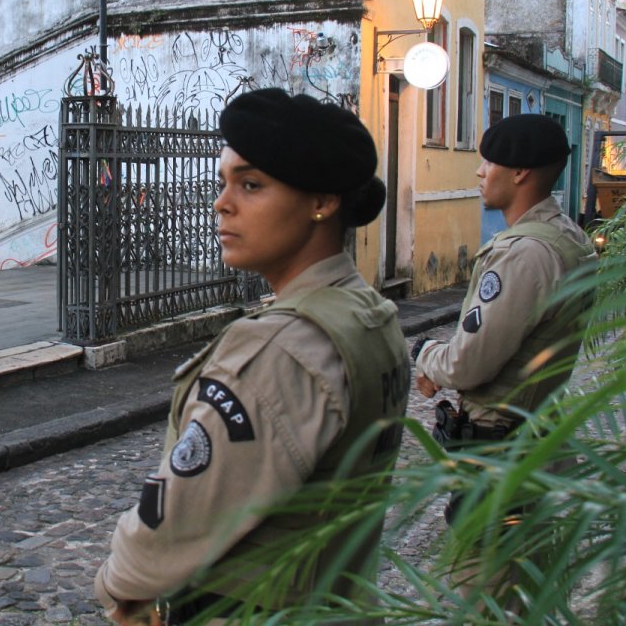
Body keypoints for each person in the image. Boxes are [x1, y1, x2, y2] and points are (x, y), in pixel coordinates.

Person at [94, 88, 410, 625]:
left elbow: (174, 518)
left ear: (322, 202)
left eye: (251, 184)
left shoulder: (281, 347)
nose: (222, 202)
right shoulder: (365, 312)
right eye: (224, 183)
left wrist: (118, 587)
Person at [413, 113, 597, 607]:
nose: (479, 172)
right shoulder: (567, 238)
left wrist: (425, 355)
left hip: (500, 455)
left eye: (488, 161)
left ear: (519, 173)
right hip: (532, 439)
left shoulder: (524, 254)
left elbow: (469, 364)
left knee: (487, 597)